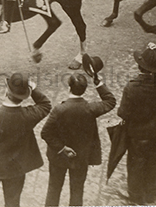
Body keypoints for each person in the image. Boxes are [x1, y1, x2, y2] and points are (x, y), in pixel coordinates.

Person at [0, 72, 51, 207]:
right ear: (25, 96)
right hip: (16, 169)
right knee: (13, 202)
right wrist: (33, 88)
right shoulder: (29, 115)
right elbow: (45, 105)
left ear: (7, 90)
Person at [40, 61, 116, 207]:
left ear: (69, 87)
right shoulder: (91, 108)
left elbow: (45, 133)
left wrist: (62, 148)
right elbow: (110, 101)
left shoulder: (59, 109)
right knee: (77, 190)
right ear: (85, 90)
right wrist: (99, 84)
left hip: (58, 157)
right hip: (81, 158)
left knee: (54, 188)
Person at [118, 42, 156, 204]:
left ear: (140, 67)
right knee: (153, 162)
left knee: (136, 163)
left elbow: (123, 113)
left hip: (138, 133)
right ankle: (150, 193)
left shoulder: (132, 87)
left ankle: (135, 195)